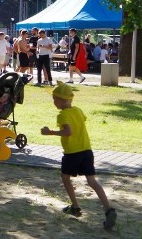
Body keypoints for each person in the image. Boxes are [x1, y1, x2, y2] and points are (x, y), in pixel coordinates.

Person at [40, 82, 117, 229]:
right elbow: (83, 119)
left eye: (55, 99)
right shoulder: (78, 110)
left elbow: (68, 132)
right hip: (86, 150)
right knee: (92, 181)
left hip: (72, 153)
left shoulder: (62, 115)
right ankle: (108, 209)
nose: (53, 102)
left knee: (65, 178)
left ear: (63, 100)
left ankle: (75, 207)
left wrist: (50, 132)